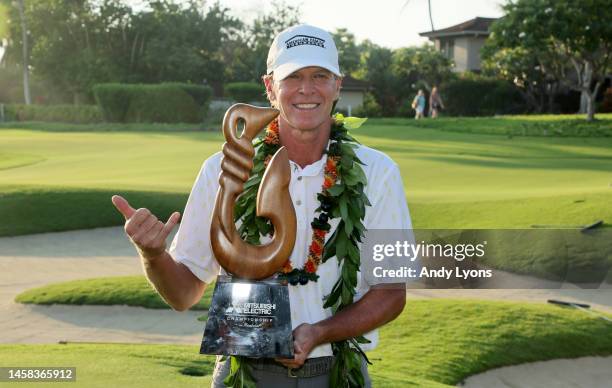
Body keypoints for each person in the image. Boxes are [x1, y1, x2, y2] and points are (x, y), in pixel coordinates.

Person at [112, 23, 412, 388]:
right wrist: (153, 255)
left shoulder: (377, 172)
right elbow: (183, 293)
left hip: (337, 372)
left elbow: (391, 292)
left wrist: (319, 332)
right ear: (270, 87)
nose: (306, 88)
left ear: (338, 85)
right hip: (244, 372)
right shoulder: (222, 170)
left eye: (320, 75)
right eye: (293, 77)